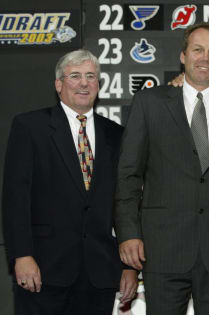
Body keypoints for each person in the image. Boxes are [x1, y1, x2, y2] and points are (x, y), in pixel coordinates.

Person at [114, 21, 209, 315]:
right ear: (183, 56)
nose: (205, 58)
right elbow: (129, 175)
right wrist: (129, 232)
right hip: (163, 249)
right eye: (198, 50)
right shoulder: (149, 103)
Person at [2, 49, 138, 315]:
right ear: (58, 84)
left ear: (99, 85)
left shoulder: (116, 134)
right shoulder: (30, 127)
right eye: (75, 76)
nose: (84, 83)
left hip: (100, 273)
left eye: (91, 76)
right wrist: (22, 255)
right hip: (42, 270)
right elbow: (16, 197)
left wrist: (129, 266)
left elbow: (125, 203)